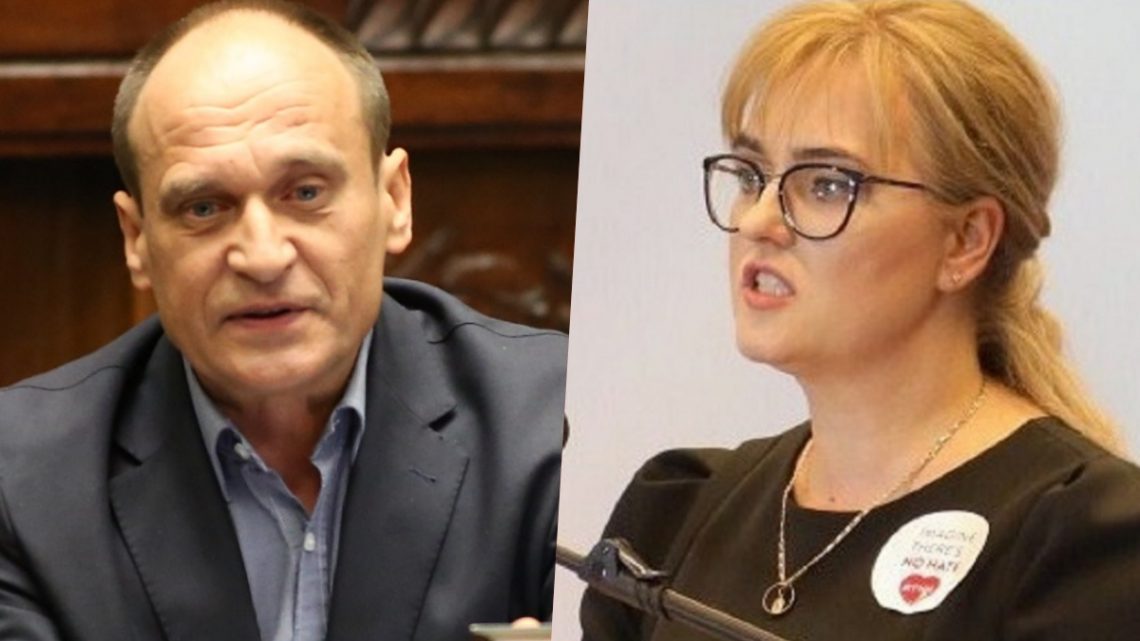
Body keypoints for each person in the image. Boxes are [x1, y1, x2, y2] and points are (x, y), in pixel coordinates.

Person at [0, 2, 565, 640]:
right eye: (204, 207)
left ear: (394, 200)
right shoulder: (22, 483)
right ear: (137, 239)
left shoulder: (556, 428)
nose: (263, 257)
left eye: (306, 193)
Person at [580, 1, 1140, 639]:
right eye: (752, 176)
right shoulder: (677, 516)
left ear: (965, 241)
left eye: (827, 185)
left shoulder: (1082, 548)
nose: (758, 221)